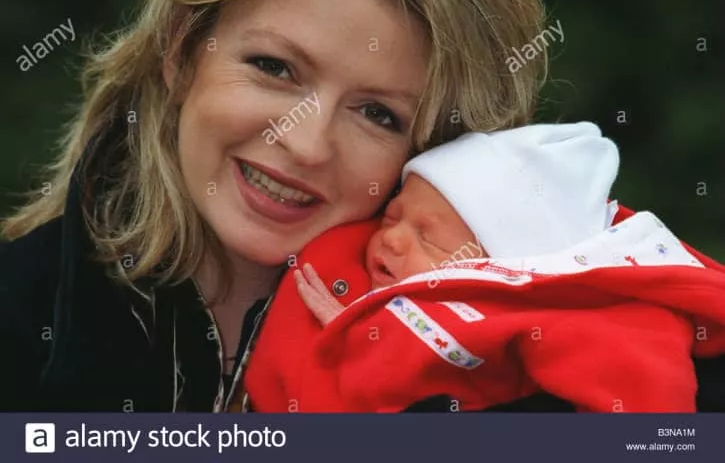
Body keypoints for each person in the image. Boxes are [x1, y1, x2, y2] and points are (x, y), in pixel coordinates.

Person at [0, 0, 550, 411]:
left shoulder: (518, 377)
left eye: (378, 114)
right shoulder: (18, 322)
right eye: (274, 68)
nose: (306, 143)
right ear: (181, 49)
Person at [244, 122, 725, 413]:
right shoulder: (362, 272)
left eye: (427, 237)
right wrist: (355, 329)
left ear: (499, 265)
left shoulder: (553, 319)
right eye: (392, 216)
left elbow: (641, 381)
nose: (391, 238)